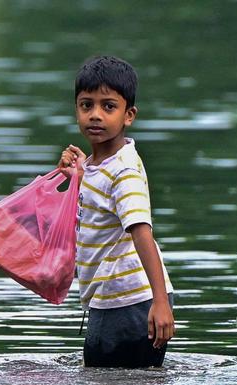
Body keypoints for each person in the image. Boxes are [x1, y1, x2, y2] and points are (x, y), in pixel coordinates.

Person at [58, 56, 175, 368]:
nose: (95, 115)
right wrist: (80, 174)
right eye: (87, 105)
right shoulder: (100, 166)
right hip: (114, 300)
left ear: (129, 115)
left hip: (131, 302)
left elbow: (141, 232)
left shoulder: (123, 172)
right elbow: (100, 201)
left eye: (108, 106)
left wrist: (160, 303)